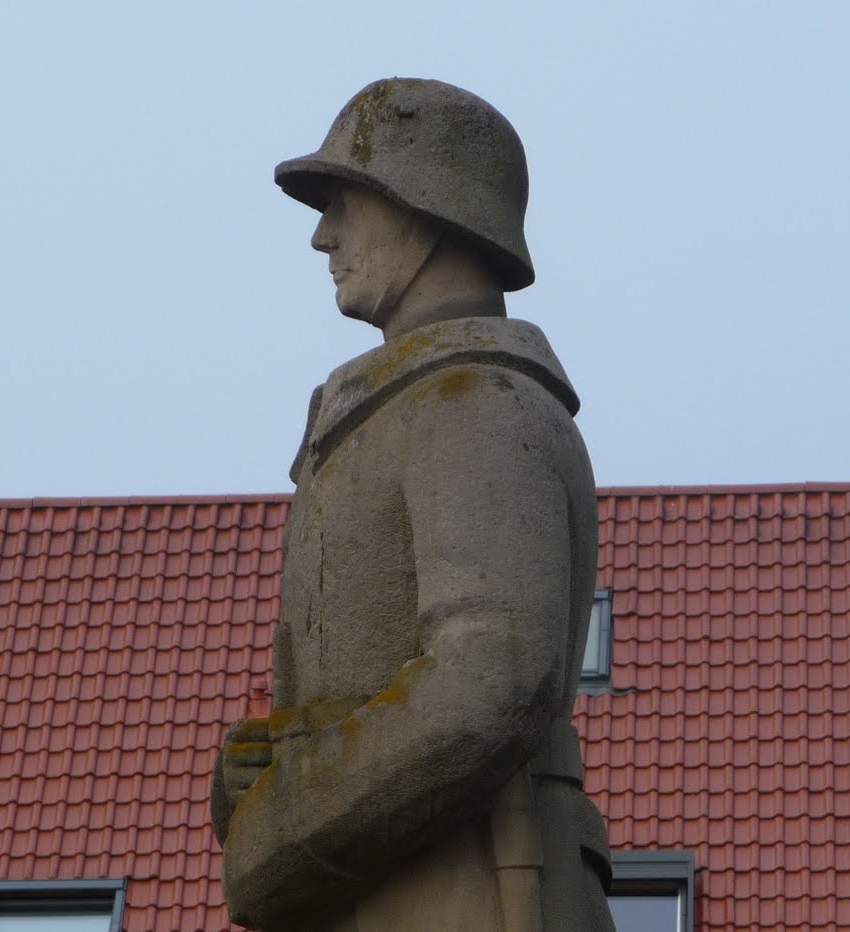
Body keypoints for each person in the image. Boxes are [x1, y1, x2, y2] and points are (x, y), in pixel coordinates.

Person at [211, 78, 616, 932]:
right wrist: (262, 779)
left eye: (345, 203)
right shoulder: (390, 412)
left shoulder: (477, 402)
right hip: (388, 882)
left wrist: (286, 824)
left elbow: (489, 676)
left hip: (470, 884)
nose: (324, 236)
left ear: (428, 209)